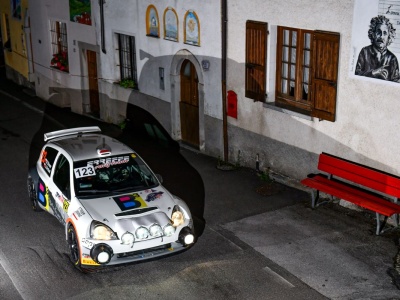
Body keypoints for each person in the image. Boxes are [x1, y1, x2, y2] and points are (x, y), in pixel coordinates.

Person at [355, 15, 400, 82]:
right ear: (373, 34)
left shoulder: (392, 58)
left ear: (389, 37)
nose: (381, 36)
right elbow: (356, 73)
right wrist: (373, 73)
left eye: (385, 33)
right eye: (378, 32)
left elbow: (396, 81)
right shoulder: (364, 52)